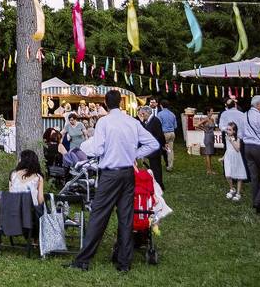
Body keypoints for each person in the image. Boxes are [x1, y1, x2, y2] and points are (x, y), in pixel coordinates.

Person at [66, 89, 159, 273]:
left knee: (99, 216)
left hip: (109, 174)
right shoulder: (132, 122)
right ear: (121, 103)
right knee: (125, 218)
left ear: (106, 104)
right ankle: (124, 263)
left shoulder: (104, 122)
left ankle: (83, 260)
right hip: (127, 173)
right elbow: (154, 144)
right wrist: (134, 154)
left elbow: (99, 149)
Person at [137, 107, 164, 189]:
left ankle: (159, 184)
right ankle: (155, 183)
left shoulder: (155, 121)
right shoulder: (148, 121)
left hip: (155, 148)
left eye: (143, 114)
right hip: (151, 148)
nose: (142, 115)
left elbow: (159, 135)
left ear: (147, 113)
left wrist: (162, 145)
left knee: (156, 167)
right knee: (153, 167)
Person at [222, 122, 246, 201]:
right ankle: (232, 188)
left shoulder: (237, 138)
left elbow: (237, 149)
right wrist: (223, 157)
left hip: (236, 158)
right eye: (227, 129)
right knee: (228, 175)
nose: (228, 131)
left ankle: (238, 193)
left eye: (230, 130)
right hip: (229, 158)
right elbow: (227, 149)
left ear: (234, 131)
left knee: (239, 175)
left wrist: (232, 140)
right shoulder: (226, 137)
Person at [156, 100, 178, 171]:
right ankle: (170, 166)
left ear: (161, 105)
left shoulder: (160, 114)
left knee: (160, 148)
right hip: (172, 133)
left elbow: (158, 125)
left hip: (165, 134)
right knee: (170, 150)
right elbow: (175, 126)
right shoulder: (172, 114)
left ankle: (158, 164)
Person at [196, 108, 217, 174]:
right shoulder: (205, 119)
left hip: (212, 136)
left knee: (210, 153)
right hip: (207, 136)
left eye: (212, 111)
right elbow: (197, 125)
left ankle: (210, 169)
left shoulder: (212, 119)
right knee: (208, 153)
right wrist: (204, 129)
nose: (212, 112)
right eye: (211, 111)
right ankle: (208, 170)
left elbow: (215, 128)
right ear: (208, 112)